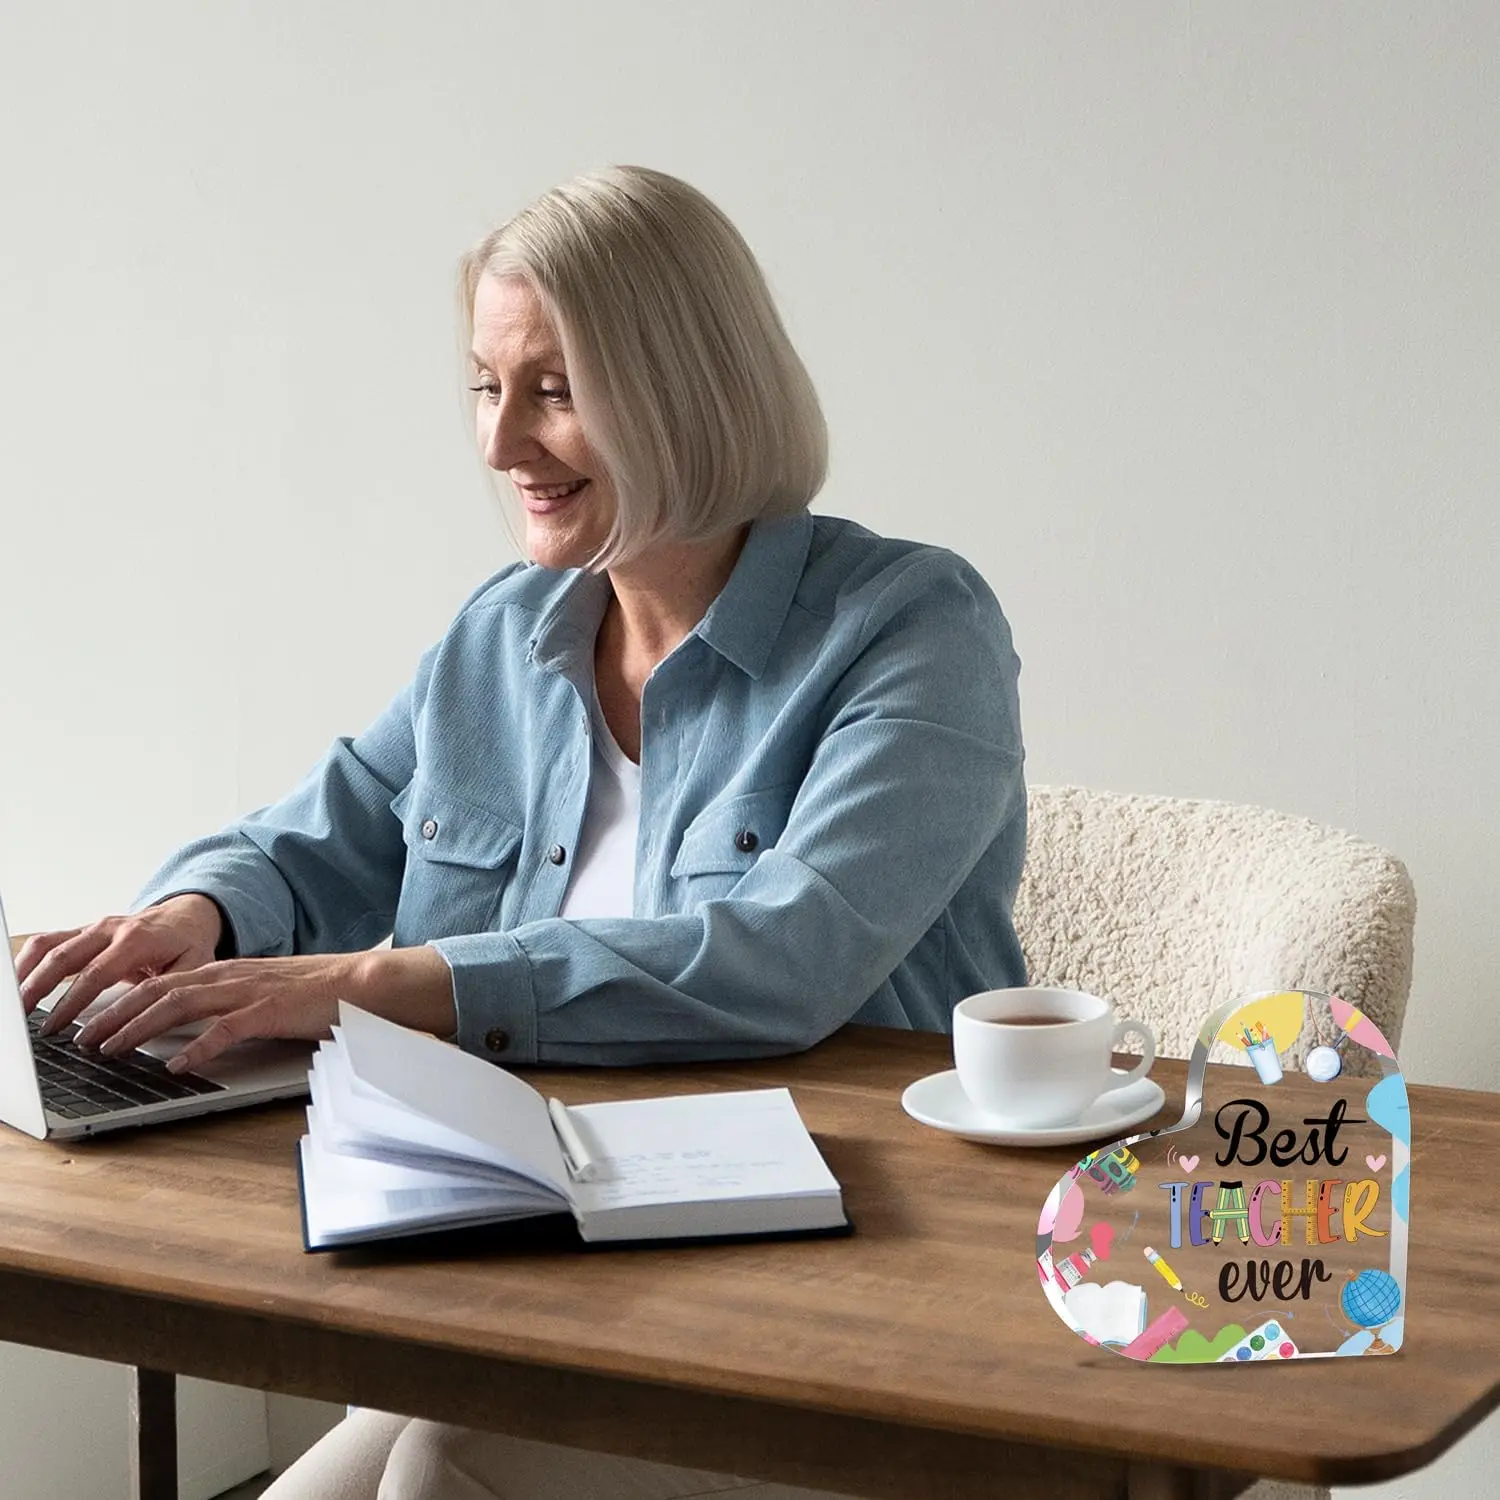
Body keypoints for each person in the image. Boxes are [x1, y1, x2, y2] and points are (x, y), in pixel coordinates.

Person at [15, 165, 1027, 1499]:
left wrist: (381, 986)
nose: (499, 446)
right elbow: (326, 831)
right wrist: (193, 918)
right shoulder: (508, 634)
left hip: (844, 1292)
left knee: (443, 1472)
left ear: (685, 388)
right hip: (552, 1264)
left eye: (551, 389)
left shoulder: (910, 628)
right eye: (487, 388)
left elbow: (782, 957)